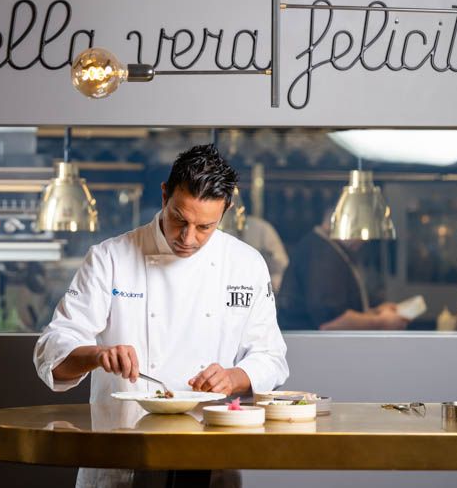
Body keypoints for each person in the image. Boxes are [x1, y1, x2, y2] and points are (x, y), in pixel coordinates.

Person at [34, 144, 288, 488]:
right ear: (165, 195)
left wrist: (234, 376)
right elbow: (52, 350)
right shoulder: (110, 258)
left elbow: (271, 358)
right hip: (121, 458)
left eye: (205, 227)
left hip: (211, 458)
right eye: (179, 219)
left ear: (226, 210)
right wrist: (97, 355)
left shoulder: (246, 265)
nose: (188, 238)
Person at [277, 211, 408, 331]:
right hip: (308, 345)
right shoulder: (322, 254)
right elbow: (332, 322)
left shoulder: (331, 248)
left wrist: (376, 312)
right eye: (360, 229)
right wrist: (381, 322)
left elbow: (341, 309)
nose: (365, 239)